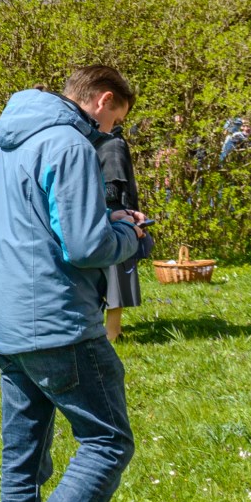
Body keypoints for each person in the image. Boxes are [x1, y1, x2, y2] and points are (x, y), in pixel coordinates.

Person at [0, 66, 151, 502]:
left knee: (24, 460)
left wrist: (108, 225)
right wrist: (131, 238)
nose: (112, 133)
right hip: (58, 322)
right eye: (115, 121)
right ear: (102, 101)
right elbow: (83, 247)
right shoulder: (70, 145)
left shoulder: (10, 139)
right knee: (107, 442)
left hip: (6, 319)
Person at [97, 123, 142, 343]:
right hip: (105, 213)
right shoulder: (101, 141)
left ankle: (113, 330)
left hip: (115, 212)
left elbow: (113, 187)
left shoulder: (112, 144)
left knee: (117, 275)